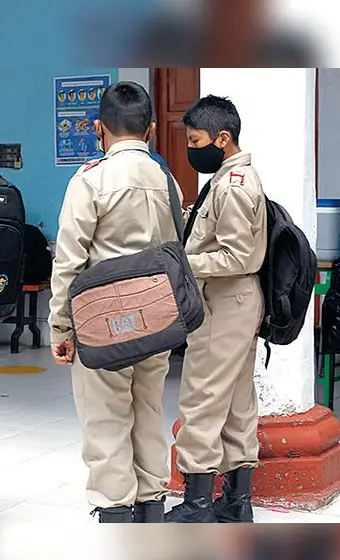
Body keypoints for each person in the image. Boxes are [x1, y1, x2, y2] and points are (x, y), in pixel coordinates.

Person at [48, 81, 183, 523]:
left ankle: (115, 516)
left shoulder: (90, 179)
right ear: (149, 130)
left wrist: (61, 328)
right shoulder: (170, 182)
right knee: (147, 411)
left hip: (102, 323)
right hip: (157, 316)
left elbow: (69, 263)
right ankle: (151, 511)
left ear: (98, 128)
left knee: (106, 419)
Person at [165, 95, 267, 523]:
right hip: (236, 303)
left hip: (226, 302)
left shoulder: (233, 186)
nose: (192, 148)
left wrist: (182, 262)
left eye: (196, 140)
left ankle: (198, 504)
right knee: (238, 401)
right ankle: (236, 502)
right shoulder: (230, 178)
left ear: (222, 139)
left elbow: (239, 257)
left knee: (202, 398)